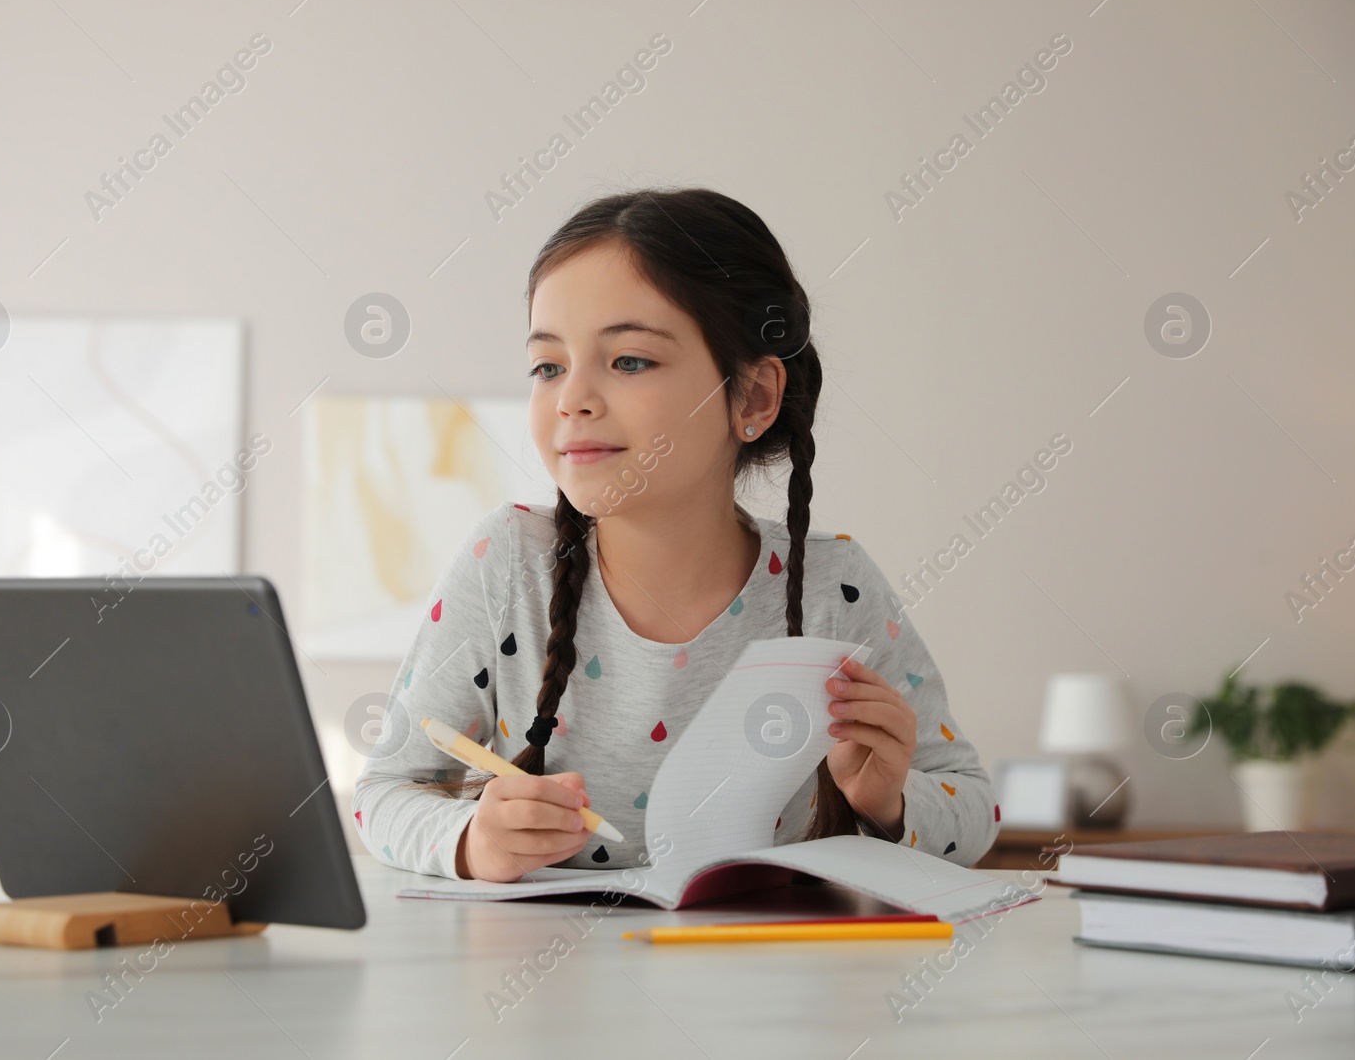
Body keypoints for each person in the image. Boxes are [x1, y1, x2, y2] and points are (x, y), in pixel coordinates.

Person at [353, 187, 999, 883]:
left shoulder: (835, 586)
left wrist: (890, 801)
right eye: (548, 366)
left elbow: (976, 812)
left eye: (629, 361)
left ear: (752, 397)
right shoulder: (506, 564)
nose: (572, 397)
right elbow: (382, 796)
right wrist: (471, 840)